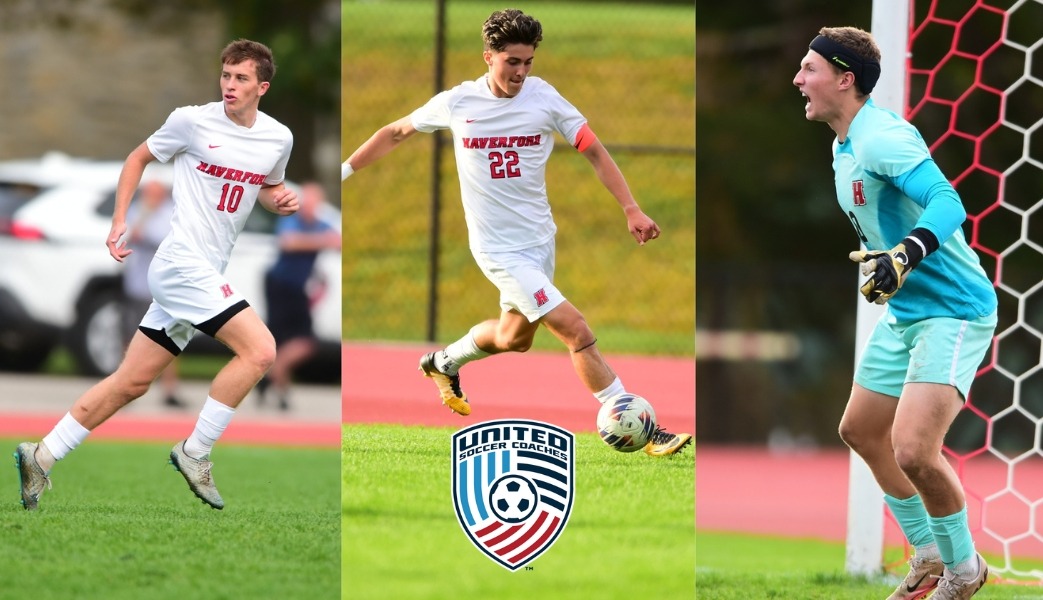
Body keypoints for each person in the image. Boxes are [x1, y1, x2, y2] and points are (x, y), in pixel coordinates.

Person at [341, 8, 691, 457]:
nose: (521, 73)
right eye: (512, 63)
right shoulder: (458, 102)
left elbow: (596, 152)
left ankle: (441, 362)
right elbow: (395, 132)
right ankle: (642, 427)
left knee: (514, 339)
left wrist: (631, 208)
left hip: (540, 242)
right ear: (488, 57)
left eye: (528, 63)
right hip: (497, 250)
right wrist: (345, 171)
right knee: (575, 329)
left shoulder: (544, 99)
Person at [15, 39, 297, 511]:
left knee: (131, 381)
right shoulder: (190, 120)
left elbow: (268, 188)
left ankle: (41, 455)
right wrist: (119, 219)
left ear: (261, 87)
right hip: (180, 264)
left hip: (206, 269)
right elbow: (137, 158)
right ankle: (195, 452)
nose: (229, 85)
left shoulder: (278, 138)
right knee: (261, 350)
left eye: (241, 78)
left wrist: (281, 201)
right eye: (226, 75)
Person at [793, 26, 997, 599]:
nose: (798, 79)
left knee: (913, 450)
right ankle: (929, 555)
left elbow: (947, 202)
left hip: (953, 310)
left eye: (809, 69)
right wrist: (890, 267)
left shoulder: (882, 138)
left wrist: (905, 253)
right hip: (906, 311)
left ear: (844, 78)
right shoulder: (843, 143)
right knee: (860, 430)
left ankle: (963, 573)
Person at [258, 181, 341, 410]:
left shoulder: (322, 224)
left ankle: (269, 377)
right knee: (284, 340)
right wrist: (322, 241)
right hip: (280, 285)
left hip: (296, 289)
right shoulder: (292, 219)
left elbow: (338, 241)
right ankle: (280, 390)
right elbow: (289, 242)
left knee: (302, 342)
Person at [122, 179, 185, 409]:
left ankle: (170, 390)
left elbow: (161, 240)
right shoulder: (138, 210)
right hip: (138, 284)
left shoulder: (171, 214)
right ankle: (123, 385)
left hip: (162, 287)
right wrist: (145, 214)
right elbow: (132, 234)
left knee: (168, 337)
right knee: (130, 336)